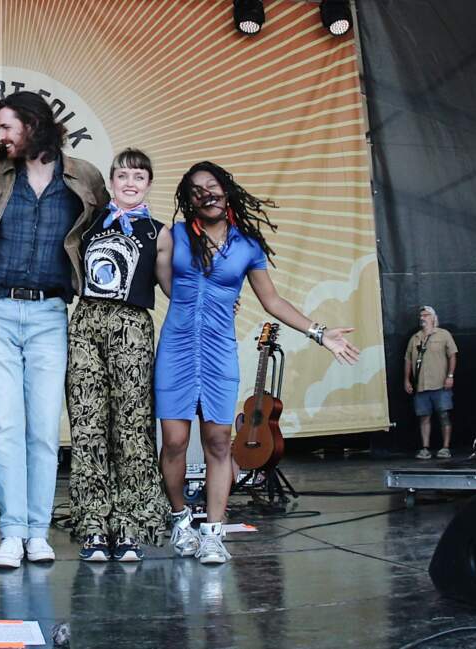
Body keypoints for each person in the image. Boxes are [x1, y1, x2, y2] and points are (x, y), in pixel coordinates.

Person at [156, 161, 360, 565]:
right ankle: (180, 518)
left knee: (217, 442)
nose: (207, 194)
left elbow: (273, 301)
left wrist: (319, 333)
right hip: (177, 348)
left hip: (218, 352)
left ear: (226, 191)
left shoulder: (247, 244)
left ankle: (212, 533)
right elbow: (163, 282)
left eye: (213, 186)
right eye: (197, 190)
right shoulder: (174, 235)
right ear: (189, 199)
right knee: (175, 441)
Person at [0, 91, 110, 569]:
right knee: (5, 425)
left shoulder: (83, 175)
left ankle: (37, 531)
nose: (0, 136)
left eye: (7, 127)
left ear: (32, 124)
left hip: (50, 313)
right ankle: (11, 532)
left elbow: (111, 235)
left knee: (44, 429)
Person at [66, 148, 172, 562]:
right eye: (123, 175)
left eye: (139, 177)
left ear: (148, 184)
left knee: (131, 426)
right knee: (89, 425)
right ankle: (93, 524)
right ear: (110, 181)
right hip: (87, 322)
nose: (130, 183)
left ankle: (129, 525)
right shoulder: (89, 224)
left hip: (132, 326)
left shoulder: (158, 231)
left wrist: (210, 300)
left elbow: (170, 285)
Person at [404, 305, 457, 459]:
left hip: (440, 383)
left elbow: (452, 355)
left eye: (426, 315)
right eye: (421, 315)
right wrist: (406, 380)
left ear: (434, 317)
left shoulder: (443, 334)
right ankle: (425, 448)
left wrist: (450, 376)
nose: (422, 318)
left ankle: (445, 447)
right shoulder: (415, 338)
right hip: (421, 385)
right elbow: (407, 360)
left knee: (443, 414)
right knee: (424, 416)